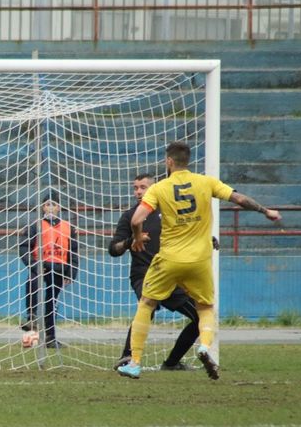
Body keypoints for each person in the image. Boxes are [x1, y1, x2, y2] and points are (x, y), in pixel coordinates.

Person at [117, 142, 281, 380]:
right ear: (188, 161)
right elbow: (239, 198)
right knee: (204, 307)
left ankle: (135, 362)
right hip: (199, 259)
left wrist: (137, 237)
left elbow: (136, 219)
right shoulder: (206, 182)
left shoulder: (160, 188)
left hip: (169, 258)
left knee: (147, 304)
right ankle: (204, 346)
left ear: (169, 162)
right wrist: (266, 211)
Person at [109, 173, 200, 371]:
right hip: (143, 275)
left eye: (143, 187)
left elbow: (189, 236)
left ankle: (172, 363)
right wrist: (129, 242)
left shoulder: (171, 213)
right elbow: (113, 249)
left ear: (154, 189)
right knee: (147, 306)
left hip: (170, 274)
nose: (138, 191)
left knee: (201, 317)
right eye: (135, 188)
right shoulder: (130, 217)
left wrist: (207, 241)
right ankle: (126, 357)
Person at [18, 192, 78, 348]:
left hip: (59, 268)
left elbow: (73, 252)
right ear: (43, 207)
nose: (50, 207)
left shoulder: (68, 227)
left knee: (52, 302)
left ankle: (50, 338)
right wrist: (34, 265)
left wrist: (71, 272)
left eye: (54, 204)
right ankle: (31, 316)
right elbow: (24, 248)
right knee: (31, 282)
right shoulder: (35, 225)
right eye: (47, 204)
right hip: (40, 266)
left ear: (59, 207)